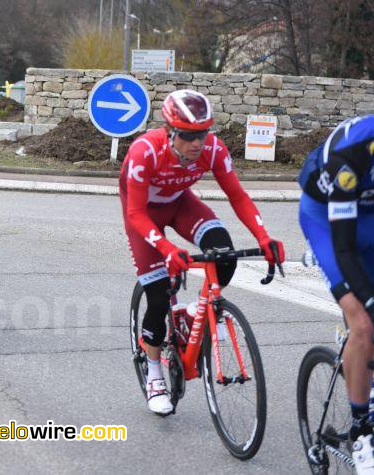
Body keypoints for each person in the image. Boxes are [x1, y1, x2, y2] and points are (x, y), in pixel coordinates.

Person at [120, 89, 284, 416]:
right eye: (189, 135)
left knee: (224, 252)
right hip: (143, 215)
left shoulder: (212, 149)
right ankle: (154, 373)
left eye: (204, 133)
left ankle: (196, 312)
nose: (198, 142)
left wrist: (264, 237)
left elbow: (237, 196)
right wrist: (166, 248)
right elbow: (136, 213)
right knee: (158, 294)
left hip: (181, 205)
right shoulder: (145, 152)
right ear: (170, 132)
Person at [298, 115, 374, 470]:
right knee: (362, 321)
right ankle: (361, 431)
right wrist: (366, 299)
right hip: (329, 223)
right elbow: (345, 248)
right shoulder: (353, 154)